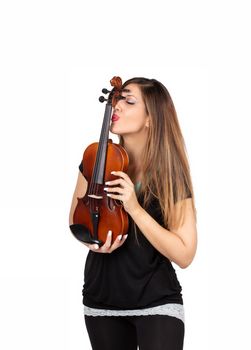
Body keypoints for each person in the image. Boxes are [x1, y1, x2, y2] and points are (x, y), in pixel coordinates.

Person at [69, 77, 198, 350]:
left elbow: (185, 254)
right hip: (101, 298)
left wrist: (134, 208)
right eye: (118, 99)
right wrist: (92, 240)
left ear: (151, 118)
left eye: (129, 101)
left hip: (156, 300)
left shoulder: (170, 177)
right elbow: (77, 219)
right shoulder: (95, 159)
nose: (117, 105)